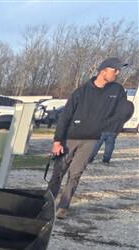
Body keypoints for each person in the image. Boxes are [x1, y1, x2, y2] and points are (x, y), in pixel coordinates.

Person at [49, 57, 134, 218]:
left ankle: (63, 207)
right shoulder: (81, 91)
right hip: (70, 138)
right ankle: (47, 204)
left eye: (118, 70)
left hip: (92, 140)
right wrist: (57, 140)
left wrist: (107, 126)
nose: (117, 73)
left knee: (75, 174)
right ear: (103, 71)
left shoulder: (117, 91)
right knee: (58, 173)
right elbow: (65, 116)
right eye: (115, 70)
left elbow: (123, 112)